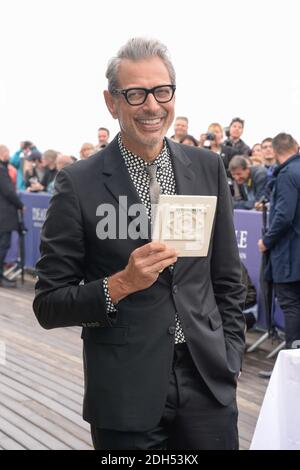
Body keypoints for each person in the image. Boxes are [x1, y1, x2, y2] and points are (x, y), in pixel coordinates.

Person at [33, 37, 245, 450]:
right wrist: (121, 284)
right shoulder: (78, 183)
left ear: (173, 95)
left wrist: (230, 355)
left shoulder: (207, 167)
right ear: (112, 102)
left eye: (161, 91)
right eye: (135, 94)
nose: (152, 105)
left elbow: (227, 279)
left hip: (208, 384)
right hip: (125, 393)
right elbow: (48, 304)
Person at [258, 133, 300, 349]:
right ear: (296, 146)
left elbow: (284, 215)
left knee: (291, 304)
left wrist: (266, 240)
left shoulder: (286, 175)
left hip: (290, 253)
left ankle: (290, 364)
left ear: (274, 152)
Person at [0, 145, 24, 288]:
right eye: (7, 152)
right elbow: (8, 191)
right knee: (3, 245)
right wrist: (21, 204)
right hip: (4, 216)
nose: (9, 155)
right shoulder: (2, 170)